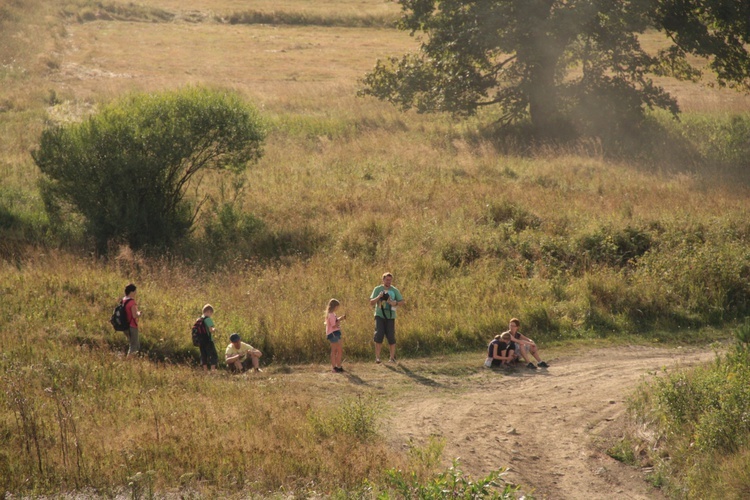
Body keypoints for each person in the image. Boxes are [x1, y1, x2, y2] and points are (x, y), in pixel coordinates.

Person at [369, 272, 404, 364]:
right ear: (383, 279)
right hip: (379, 315)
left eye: (390, 280)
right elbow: (371, 302)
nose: (389, 282)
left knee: (391, 336)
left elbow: (402, 301)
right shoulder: (377, 289)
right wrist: (379, 296)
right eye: (387, 280)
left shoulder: (394, 290)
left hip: (390, 316)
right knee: (379, 335)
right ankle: (377, 358)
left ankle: (392, 358)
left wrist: (394, 303)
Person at [325, 298, 346, 373]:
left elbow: (335, 321)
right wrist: (339, 320)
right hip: (333, 334)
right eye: (337, 306)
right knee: (337, 350)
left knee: (337, 350)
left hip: (335, 333)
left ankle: (337, 366)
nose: (338, 308)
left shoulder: (332, 314)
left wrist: (341, 318)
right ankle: (336, 367)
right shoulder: (331, 315)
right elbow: (334, 325)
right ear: (334, 306)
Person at [122, 283, 141, 358]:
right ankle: (129, 361)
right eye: (135, 291)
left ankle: (134, 360)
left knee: (135, 344)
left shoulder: (124, 300)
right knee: (134, 346)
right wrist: (139, 313)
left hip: (125, 326)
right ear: (132, 292)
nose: (136, 293)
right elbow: (134, 315)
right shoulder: (132, 302)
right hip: (132, 326)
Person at [198, 304, 219, 372]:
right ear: (209, 312)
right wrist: (214, 329)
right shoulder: (208, 319)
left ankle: (205, 371)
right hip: (208, 340)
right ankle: (213, 371)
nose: (211, 315)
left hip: (201, 341)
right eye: (211, 313)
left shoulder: (199, 319)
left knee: (203, 355)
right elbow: (210, 330)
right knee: (213, 355)